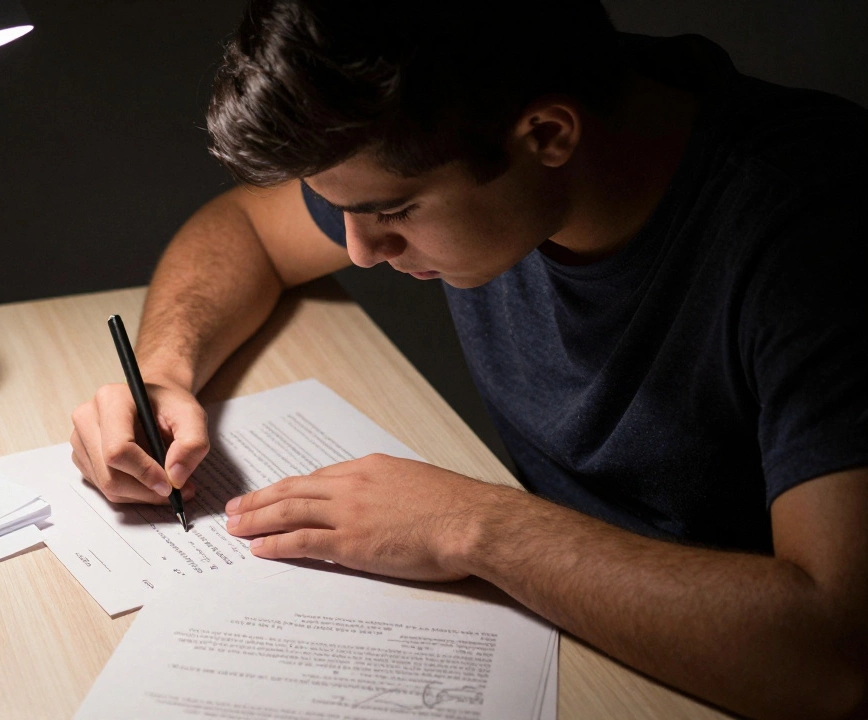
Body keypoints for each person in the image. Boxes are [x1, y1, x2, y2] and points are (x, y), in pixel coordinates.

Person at [68, 1, 868, 717]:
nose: (360, 249)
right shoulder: (453, 115)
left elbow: (835, 655)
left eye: (393, 212)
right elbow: (246, 227)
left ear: (548, 136)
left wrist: (473, 526)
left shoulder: (815, 233)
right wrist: (164, 371)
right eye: (345, 212)